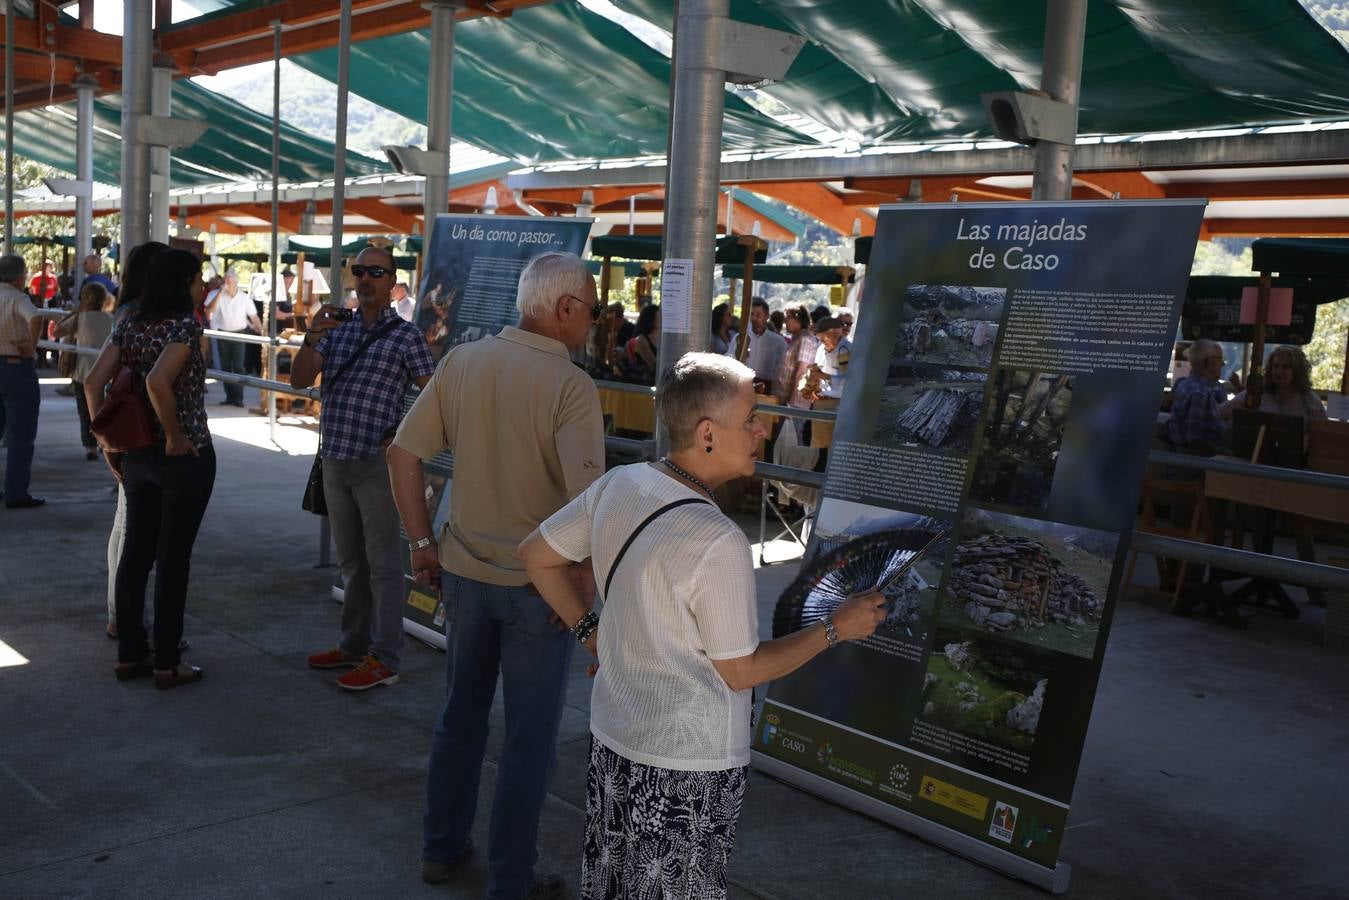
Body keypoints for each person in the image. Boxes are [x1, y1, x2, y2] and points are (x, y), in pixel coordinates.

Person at [519, 353, 885, 900]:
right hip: (687, 768)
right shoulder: (716, 539)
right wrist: (835, 628)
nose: (764, 429)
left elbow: (536, 555)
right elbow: (741, 671)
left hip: (615, 743)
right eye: (751, 418)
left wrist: (590, 631)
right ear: (708, 434)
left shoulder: (621, 484)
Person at [386, 250, 604, 900]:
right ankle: (511, 880)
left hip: (462, 573)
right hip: (540, 595)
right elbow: (586, 507)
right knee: (527, 741)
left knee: (461, 717)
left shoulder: (464, 360)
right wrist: (590, 606)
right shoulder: (570, 387)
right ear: (564, 309)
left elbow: (402, 454)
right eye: (591, 310)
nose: (592, 323)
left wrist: (420, 539)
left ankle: (441, 847)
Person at [291, 246, 436, 692]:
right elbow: (298, 379)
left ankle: (386, 657)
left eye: (376, 271)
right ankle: (353, 645)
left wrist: (406, 437)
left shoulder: (406, 337)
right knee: (352, 562)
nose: (366, 278)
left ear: (393, 282)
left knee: (385, 566)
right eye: (359, 270)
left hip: (376, 465)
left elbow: (435, 396)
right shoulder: (336, 329)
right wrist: (314, 334)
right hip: (335, 458)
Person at [85, 249, 214, 690]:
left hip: (136, 454)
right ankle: (166, 661)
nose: (202, 286)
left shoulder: (130, 322)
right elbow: (160, 381)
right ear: (182, 283)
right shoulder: (184, 324)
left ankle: (130, 654)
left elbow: (92, 381)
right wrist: (176, 435)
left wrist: (106, 440)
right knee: (173, 559)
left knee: (136, 555)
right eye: (198, 279)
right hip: (183, 456)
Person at [102, 241, 171, 640]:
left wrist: (106, 437)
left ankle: (118, 612)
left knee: (124, 527)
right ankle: (126, 618)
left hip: (128, 431)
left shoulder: (124, 312)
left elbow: (97, 382)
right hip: (144, 434)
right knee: (135, 534)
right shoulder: (142, 317)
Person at [0, 254, 45, 509]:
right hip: (15, 367)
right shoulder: (18, 298)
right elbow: (35, 316)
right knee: (20, 433)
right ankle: (16, 492)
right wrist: (31, 344)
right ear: (19, 277)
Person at [56, 282, 115, 461]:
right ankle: (105, 442)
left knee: (84, 410)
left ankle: (90, 446)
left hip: (82, 372)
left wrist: (74, 313)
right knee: (105, 408)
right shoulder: (111, 319)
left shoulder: (80, 318)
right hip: (106, 372)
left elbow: (58, 330)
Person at [1221, 345, 1326, 421]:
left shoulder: (1310, 401)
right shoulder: (1259, 393)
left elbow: (1323, 434)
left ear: (1297, 370)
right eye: (1276, 366)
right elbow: (1223, 411)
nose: (1279, 371)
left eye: (1286, 367)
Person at [205, 271, 260, 408]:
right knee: (225, 367)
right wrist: (220, 292)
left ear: (236, 282)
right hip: (223, 334)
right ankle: (229, 396)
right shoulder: (215, 295)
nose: (227, 284)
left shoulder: (244, 298)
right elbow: (208, 312)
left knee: (238, 366)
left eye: (230, 281)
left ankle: (238, 397)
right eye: (225, 281)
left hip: (239, 334)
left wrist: (260, 329)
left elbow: (253, 317)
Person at [1167, 339, 1229, 455]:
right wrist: (1223, 453)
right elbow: (1195, 440)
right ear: (1209, 363)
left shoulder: (1182, 384)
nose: (1223, 364)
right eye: (1220, 360)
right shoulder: (1200, 393)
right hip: (1196, 467)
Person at [745, 296, 787, 395]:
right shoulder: (741, 338)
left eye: (758, 315)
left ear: (766, 316)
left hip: (768, 387)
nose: (754, 318)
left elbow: (785, 367)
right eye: (752, 314)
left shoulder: (778, 341)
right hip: (744, 384)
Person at [618, 303, 660, 384]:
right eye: (658, 316)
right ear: (651, 318)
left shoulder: (660, 339)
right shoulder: (641, 340)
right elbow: (654, 365)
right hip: (643, 384)